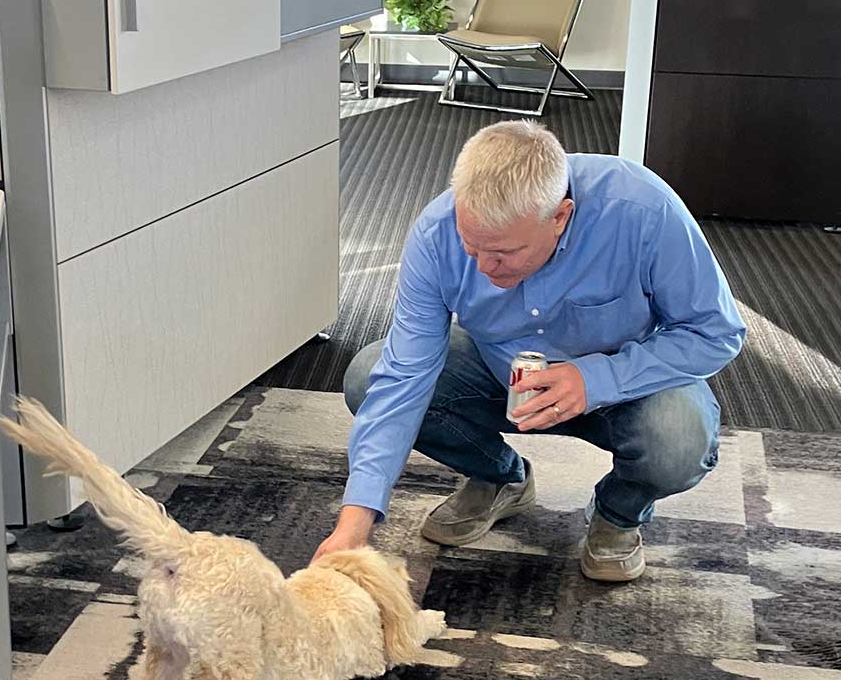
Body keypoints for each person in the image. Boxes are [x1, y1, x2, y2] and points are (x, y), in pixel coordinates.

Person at [313, 120, 746, 582]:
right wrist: (355, 523)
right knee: (368, 376)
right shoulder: (437, 234)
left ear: (559, 216)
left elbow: (715, 332)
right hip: (498, 373)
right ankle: (502, 479)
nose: (482, 266)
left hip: (626, 386)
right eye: (471, 246)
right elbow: (404, 375)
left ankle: (617, 514)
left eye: (502, 253)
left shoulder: (643, 210)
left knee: (680, 438)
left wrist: (594, 379)